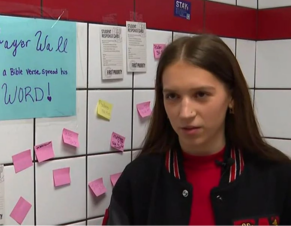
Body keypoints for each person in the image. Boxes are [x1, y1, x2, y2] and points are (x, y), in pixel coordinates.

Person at [102, 34, 291, 226]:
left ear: (231, 97)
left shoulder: (277, 176)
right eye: (173, 96)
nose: (185, 113)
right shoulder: (138, 180)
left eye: (201, 94)